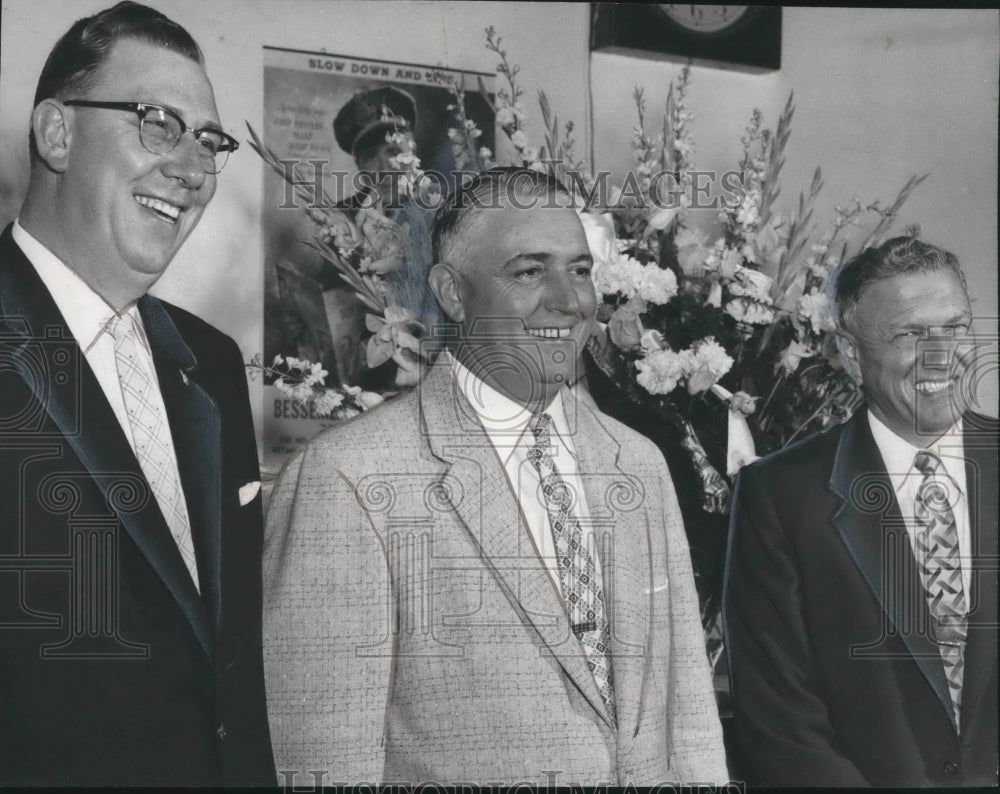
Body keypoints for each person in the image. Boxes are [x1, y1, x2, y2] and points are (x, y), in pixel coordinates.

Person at [263, 167, 728, 786]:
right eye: (530, 271)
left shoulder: (639, 463)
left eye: (581, 270)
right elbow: (326, 763)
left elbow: (690, 718)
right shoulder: (347, 479)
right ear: (452, 293)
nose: (569, 300)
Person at [0, 3, 274, 786]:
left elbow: (228, 671)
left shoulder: (211, 363)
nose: (192, 169)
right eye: (157, 122)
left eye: (209, 141)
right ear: (57, 133)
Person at [724, 236, 998, 786]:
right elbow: (780, 725)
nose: (943, 355)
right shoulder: (778, 497)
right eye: (911, 334)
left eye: (955, 326)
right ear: (851, 353)